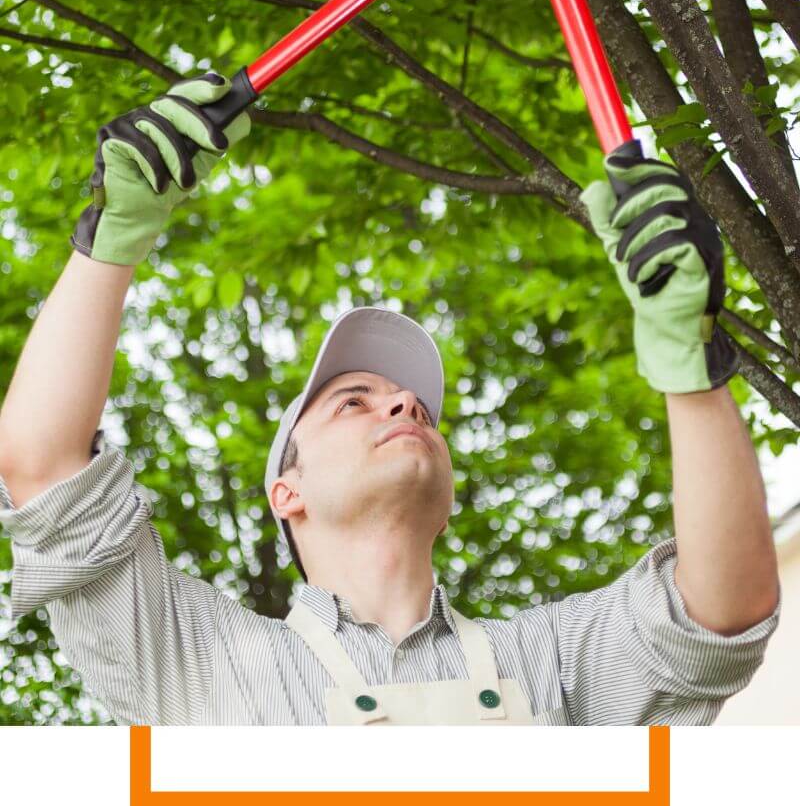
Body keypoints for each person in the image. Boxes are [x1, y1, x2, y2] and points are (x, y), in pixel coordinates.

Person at [0, 74, 780, 726]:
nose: (405, 404)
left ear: (447, 503)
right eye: (354, 401)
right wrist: (113, 237)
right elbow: (43, 469)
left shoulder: (554, 658)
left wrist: (691, 363)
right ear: (287, 490)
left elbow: (724, 608)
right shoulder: (199, 660)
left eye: (418, 408)